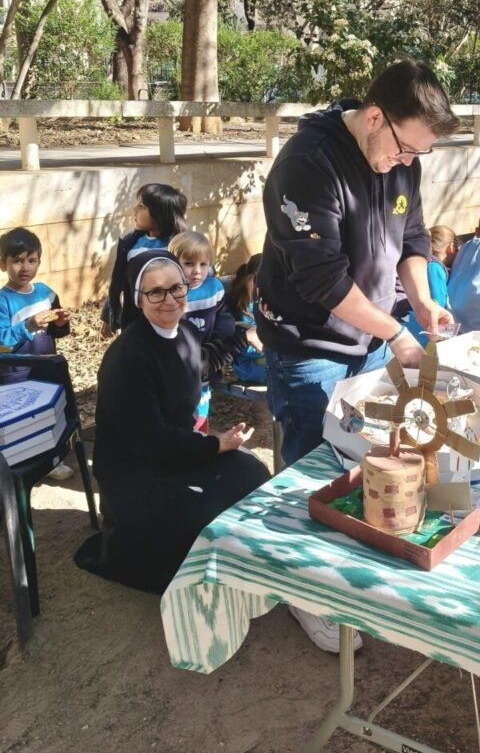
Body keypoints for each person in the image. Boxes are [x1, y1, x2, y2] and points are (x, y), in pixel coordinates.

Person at [257, 59, 459, 469]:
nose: (408, 161)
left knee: (369, 457)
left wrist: (422, 302)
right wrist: (397, 333)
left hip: (374, 340)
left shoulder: (404, 162)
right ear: (373, 118)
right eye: (405, 149)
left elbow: (412, 238)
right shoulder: (308, 165)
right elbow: (323, 281)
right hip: (310, 349)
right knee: (317, 468)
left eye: (420, 153)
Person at [75, 250, 270, 595]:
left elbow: (201, 365)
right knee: (200, 509)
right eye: (156, 292)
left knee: (252, 474)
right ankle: (193, 580)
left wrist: (243, 338)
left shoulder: (184, 334)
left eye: (176, 289)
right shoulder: (128, 357)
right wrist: (214, 444)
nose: (169, 300)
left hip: (176, 451)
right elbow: (148, 439)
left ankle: (233, 560)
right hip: (136, 471)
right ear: (138, 298)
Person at [0, 227, 73, 480]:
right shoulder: (3, 301)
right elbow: (2, 343)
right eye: (17, 260)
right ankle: (24, 463)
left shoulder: (46, 292)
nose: (24, 267)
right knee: (24, 417)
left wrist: (61, 323)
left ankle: (52, 459)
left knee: (50, 409)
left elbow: (56, 331)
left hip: (46, 365)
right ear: (3, 264)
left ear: (39, 261)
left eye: (31, 260)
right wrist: (28, 326)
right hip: (15, 373)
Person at [169, 231, 237, 431]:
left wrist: (216, 346)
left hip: (206, 360)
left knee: (201, 409)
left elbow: (224, 322)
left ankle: (200, 440)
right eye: (189, 263)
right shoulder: (169, 291)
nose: (196, 271)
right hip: (177, 363)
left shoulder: (214, 289)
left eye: (203, 264)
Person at [100, 182, 187, 338]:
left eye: (141, 206)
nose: (134, 210)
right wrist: (109, 315)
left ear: (159, 214)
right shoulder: (131, 244)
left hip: (170, 318)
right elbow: (119, 281)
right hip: (135, 320)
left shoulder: (178, 246)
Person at [404, 225, 458, 345]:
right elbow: (438, 300)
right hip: (427, 323)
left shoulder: (426, 261)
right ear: (451, 247)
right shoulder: (435, 267)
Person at [226, 254, 267, 384]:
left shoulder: (266, 301)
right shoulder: (240, 305)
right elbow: (240, 344)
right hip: (249, 365)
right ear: (249, 279)